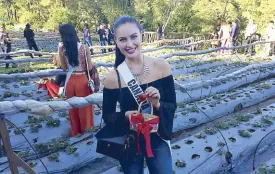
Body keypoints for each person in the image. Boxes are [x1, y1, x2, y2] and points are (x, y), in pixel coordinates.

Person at [95, 16, 177, 174]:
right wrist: (125, 115)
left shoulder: (162, 67)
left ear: (141, 34)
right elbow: (108, 115)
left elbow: (172, 105)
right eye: (123, 39)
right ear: (116, 41)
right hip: (129, 140)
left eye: (133, 37)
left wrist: (157, 104)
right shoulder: (113, 77)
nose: (129, 44)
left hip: (158, 137)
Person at [58, 24, 96, 137]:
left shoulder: (61, 49)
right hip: (82, 80)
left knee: (72, 109)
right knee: (85, 108)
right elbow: (89, 68)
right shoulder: (84, 48)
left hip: (70, 81)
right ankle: (87, 131)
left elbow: (64, 68)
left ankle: (76, 132)